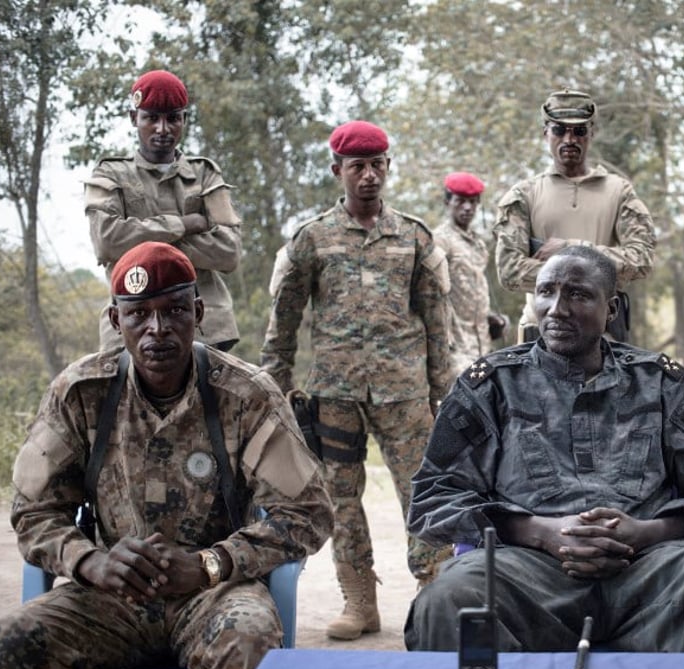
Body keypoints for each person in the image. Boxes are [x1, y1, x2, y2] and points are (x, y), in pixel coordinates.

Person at [0, 242, 332, 669]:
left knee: (250, 639)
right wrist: (88, 560)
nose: (157, 330)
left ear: (198, 312)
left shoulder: (245, 394)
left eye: (172, 310)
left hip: (215, 594)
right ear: (114, 320)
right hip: (112, 599)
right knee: (11, 646)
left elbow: (310, 512)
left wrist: (210, 564)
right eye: (138, 315)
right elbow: (32, 510)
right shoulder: (81, 393)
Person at [404, 246, 684, 654]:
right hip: (527, 575)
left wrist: (648, 532)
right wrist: (540, 532)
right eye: (546, 292)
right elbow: (433, 500)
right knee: (448, 601)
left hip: (651, 572)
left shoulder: (662, 384)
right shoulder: (489, 386)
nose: (557, 309)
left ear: (612, 308)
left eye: (578, 294)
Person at [260, 120, 455, 640]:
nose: (368, 176)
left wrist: (446, 392)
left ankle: (434, 593)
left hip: (405, 392)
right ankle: (360, 601)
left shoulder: (414, 237)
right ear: (337, 171)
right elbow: (285, 319)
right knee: (341, 498)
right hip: (335, 394)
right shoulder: (313, 240)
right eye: (357, 167)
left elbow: (437, 321)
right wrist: (273, 387)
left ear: (388, 167)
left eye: (377, 165)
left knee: (424, 491)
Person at [85, 69, 243, 352]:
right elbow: (107, 241)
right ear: (135, 118)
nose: (162, 128)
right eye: (151, 118)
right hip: (130, 328)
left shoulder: (205, 174)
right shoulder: (110, 174)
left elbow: (229, 252)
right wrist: (183, 224)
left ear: (183, 120)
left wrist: (139, 241)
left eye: (172, 118)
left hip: (205, 327)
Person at [493, 89, 656, 344]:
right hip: (541, 337)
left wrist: (571, 248)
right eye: (559, 130)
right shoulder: (524, 195)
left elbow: (641, 260)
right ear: (545, 133)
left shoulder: (619, 192)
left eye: (579, 131)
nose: (569, 139)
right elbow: (510, 271)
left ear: (592, 133)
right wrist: (590, 281)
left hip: (603, 338)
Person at [433, 171, 509, 375]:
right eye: (460, 201)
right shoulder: (440, 241)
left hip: (482, 345)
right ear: (447, 202)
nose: (467, 207)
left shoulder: (478, 244)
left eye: (473, 202)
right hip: (455, 348)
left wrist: (490, 317)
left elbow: (473, 291)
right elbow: (429, 292)